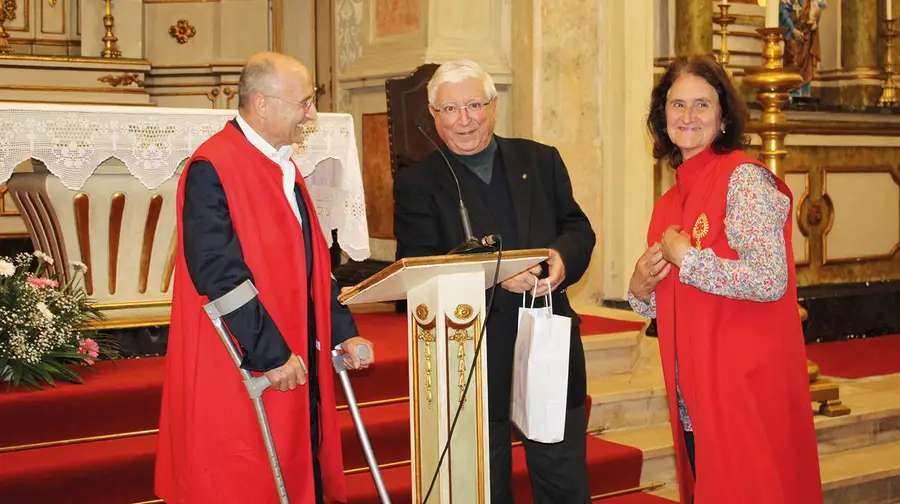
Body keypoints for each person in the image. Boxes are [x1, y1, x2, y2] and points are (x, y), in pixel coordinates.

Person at [155, 52, 375, 504]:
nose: (311, 114)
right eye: (305, 102)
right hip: (245, 358)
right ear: (263, 104)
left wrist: (342, 333)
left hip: (292, 349)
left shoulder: (283, 166)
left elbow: (313, 262)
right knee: (246, 477)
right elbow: (216, 270)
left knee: (293, 467)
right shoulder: (213, 166)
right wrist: (269, 354)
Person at [393, 59, 596, 504]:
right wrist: (498, 274)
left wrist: (562, 258)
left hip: (546, 338)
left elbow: (577, 228)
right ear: (433, 115)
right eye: (449, 109)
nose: (463, 119)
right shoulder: (417, 182)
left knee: (562, 480)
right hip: (472, 352)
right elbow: (418, 266)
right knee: (486, 485)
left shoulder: (540, 159)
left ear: (493, 105)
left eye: (473, 105)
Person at [628, 55, 822, 504]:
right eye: (677, 105)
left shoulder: (744, 180)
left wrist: (688, 258)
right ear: (662, 117)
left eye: (702, 105)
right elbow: (679, 300)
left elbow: (768, 279)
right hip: (692, 393)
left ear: (723, 117)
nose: (688, 116)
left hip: (741, 386)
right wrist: (640, 291)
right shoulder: (669, 201)